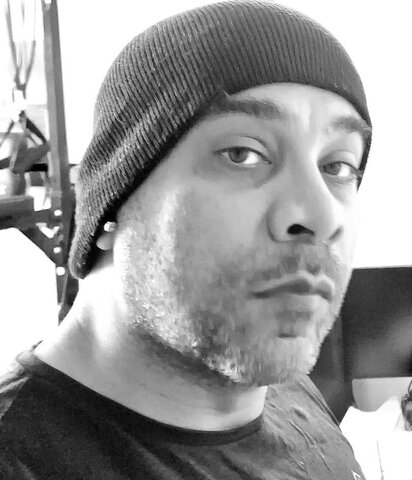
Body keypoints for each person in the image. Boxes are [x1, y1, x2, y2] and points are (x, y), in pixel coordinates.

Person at [0, 1, 372, 478]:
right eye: (242, 154)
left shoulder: (285, 385)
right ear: (113, 203)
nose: (322, 216)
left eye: (338, 166)